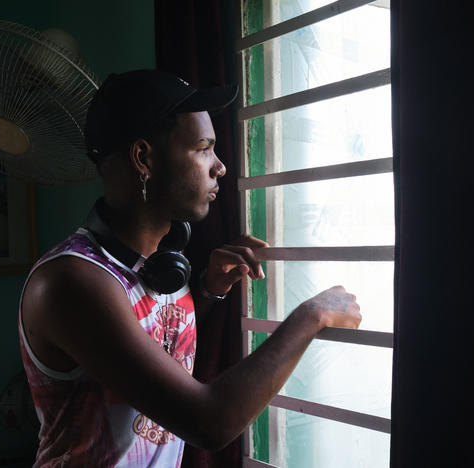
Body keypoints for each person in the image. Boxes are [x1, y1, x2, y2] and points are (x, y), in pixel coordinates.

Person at [18, 69, 361, 467]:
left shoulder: (160, 266)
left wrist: (207, 291)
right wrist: (311, 316)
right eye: (203, 148)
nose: (220, 167)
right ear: (143, 158)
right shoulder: (73, 281)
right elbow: (208, 422)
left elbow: (145, 342)